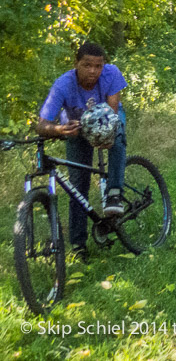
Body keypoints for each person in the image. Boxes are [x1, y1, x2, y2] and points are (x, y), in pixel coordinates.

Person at [36, 42, 128, 261]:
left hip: (107, 118)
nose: (93, 71)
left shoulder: (111, 73)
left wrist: (106, 134)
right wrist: (59, 129)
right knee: (78, 186)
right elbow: (41, 124)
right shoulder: (63, 85)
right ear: (76, 64)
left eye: (98, 66)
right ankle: (78, 245)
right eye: (87, 65)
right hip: (76, 128)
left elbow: (113, 111)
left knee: (117, 137)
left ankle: (115, 192)